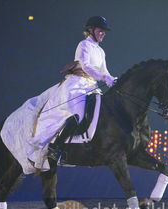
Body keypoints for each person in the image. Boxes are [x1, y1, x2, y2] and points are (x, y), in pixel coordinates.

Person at [26, 16, 116, 169]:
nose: (103, 34)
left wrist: (112, 79)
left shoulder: (101, 51)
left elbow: (104, 70)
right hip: (76, 85)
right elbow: (86, 67)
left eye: (104, 32)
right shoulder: (84, 45)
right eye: (101, 31)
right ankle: (56, 149)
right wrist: (103, 77)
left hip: (91, 86)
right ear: (91, 30)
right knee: (78, 115)